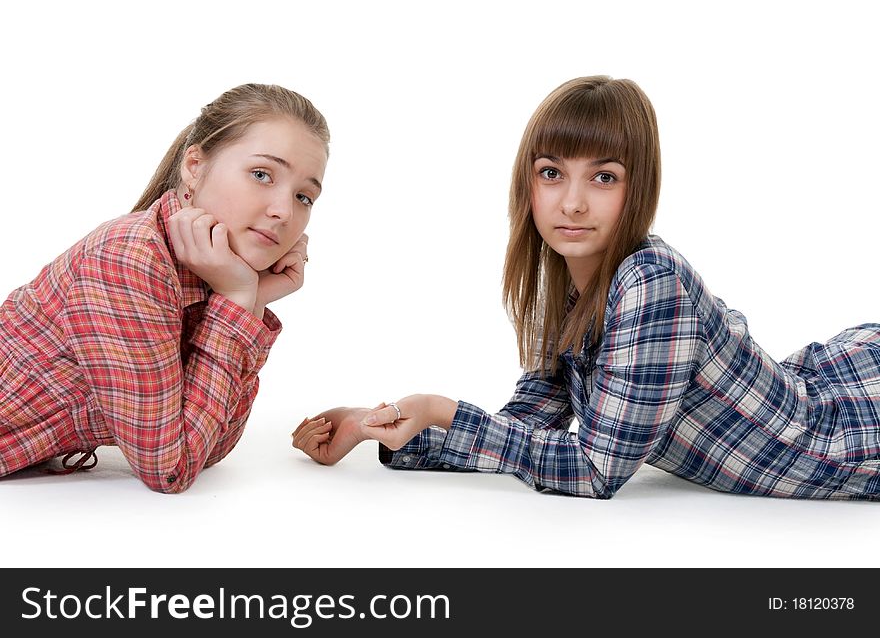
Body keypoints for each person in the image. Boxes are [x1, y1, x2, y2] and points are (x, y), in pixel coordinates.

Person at [292, 75, 880, 500]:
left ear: (639, 187)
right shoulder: (573, 286)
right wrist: (385, 425)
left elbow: (596, 472)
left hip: (853, 438)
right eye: (551, 173)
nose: (571, 202)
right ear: (528, 184)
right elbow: (526, 430)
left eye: (603, 177)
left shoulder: (651, 283)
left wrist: (439, 409)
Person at [1, 83, 329, 493]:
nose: (284, 211)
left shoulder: (214, 269)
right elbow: (170, 469)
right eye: (262, 174)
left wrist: (250, 301)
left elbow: (209, 447)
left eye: (304, 196)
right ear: (194, 165)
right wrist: (237, 303)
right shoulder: (128, 260)